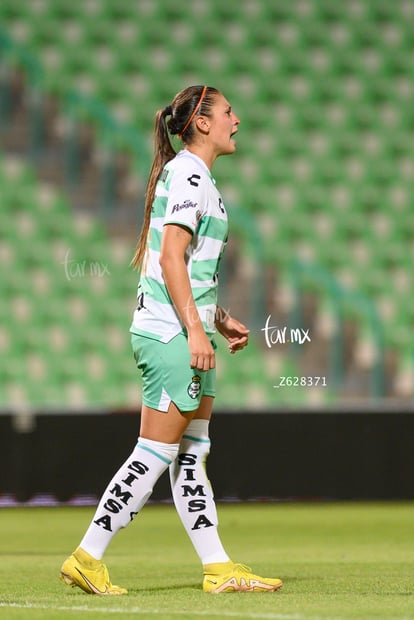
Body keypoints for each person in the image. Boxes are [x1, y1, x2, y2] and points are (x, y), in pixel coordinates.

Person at [60, 85, 283, 594]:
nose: (237, 119)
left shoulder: (193, 175)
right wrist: (196, 328)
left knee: (190, 453)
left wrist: (217, 317)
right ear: (202, 123)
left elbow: (187, 265)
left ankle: (218, 567)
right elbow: (169, 257)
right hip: (171, 336)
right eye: (228, 112)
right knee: (154, 454)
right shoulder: (188, 173)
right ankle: (87, 555)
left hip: (178, 326)